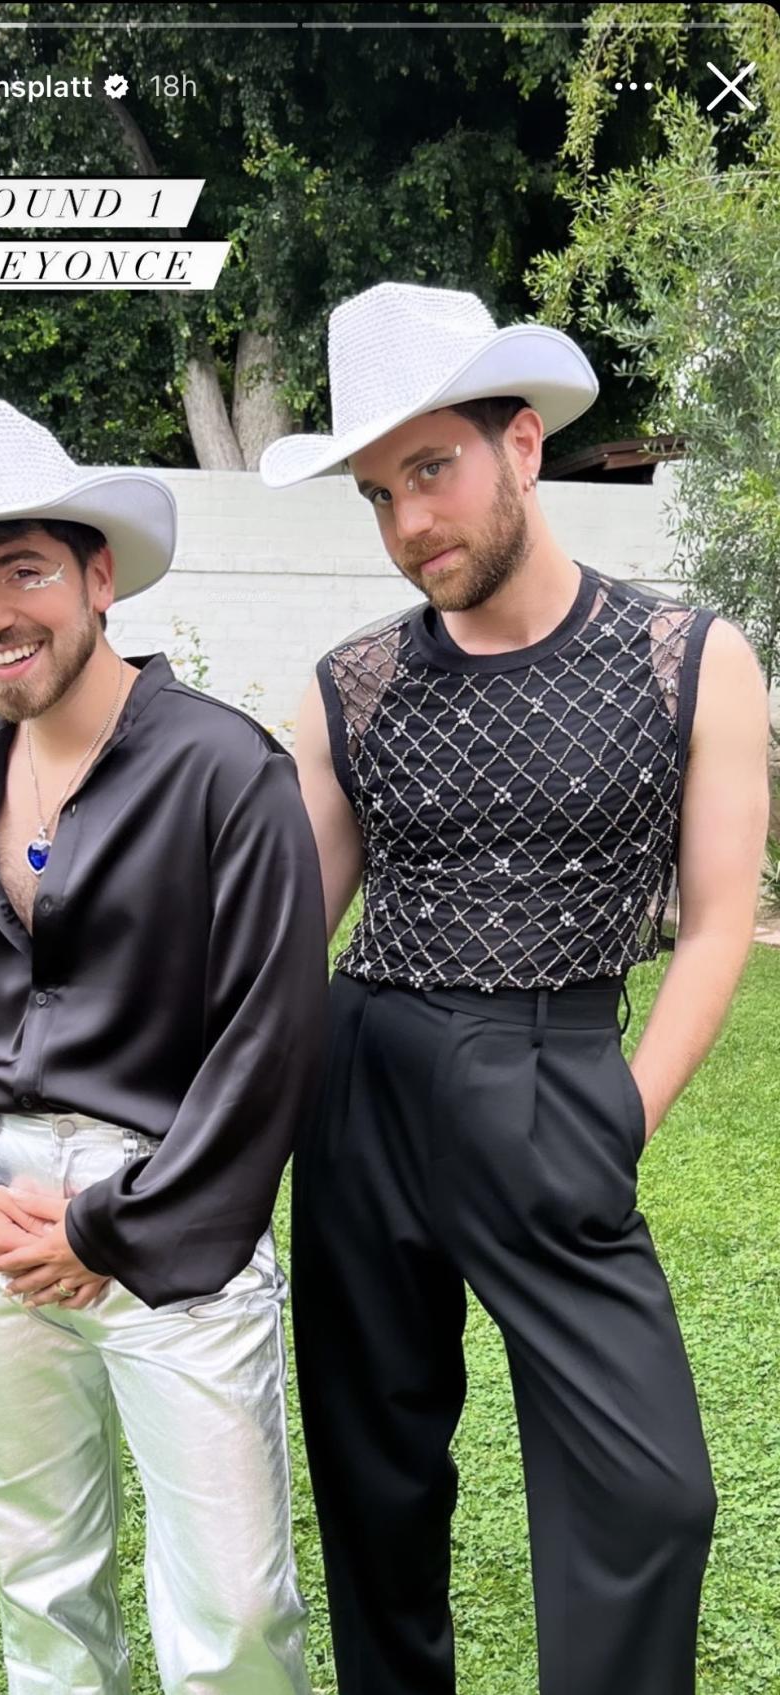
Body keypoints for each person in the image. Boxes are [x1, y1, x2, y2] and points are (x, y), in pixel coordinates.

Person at [260, 281, 770, 1695]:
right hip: (363, 1084)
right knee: (378, 1479)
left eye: (433, 468)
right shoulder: (354, 684)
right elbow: (288, 932)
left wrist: (622, 1112)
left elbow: (723, 919)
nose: (410, 522)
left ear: (524, 444)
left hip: (553, 1076)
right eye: (377, 491)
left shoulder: (688, 659)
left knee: (655, 1488)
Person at [0, 399, 327, 1695]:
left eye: (24, 569)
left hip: (175, 1218)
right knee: (39, 1576)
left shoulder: (228, 771)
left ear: (99, 574)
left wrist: (110, 1226)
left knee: (232, 1610)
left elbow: (268, 1036)